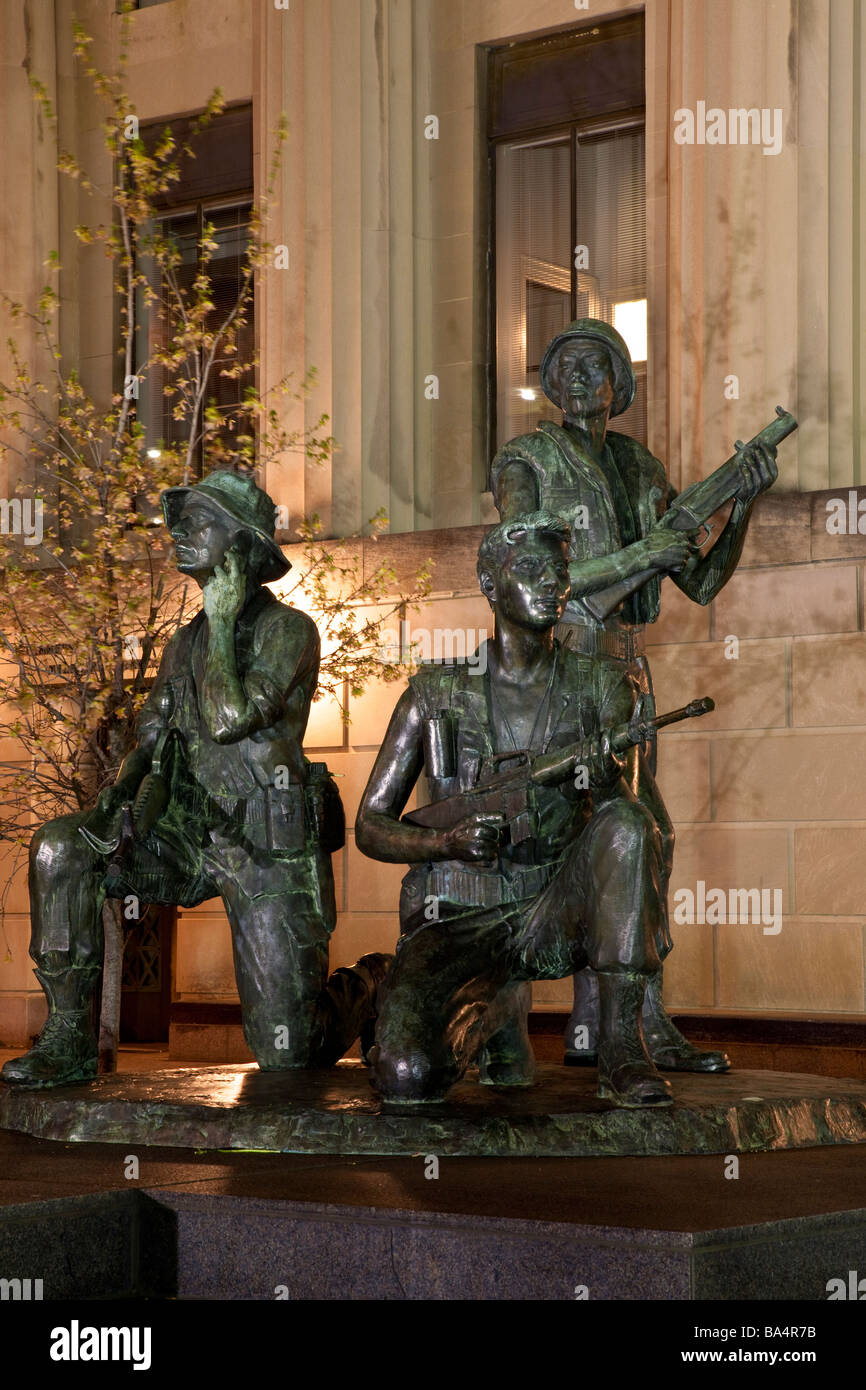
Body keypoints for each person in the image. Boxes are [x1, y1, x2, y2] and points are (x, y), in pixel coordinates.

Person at [2, 469, 388, 1089]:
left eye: (199, 522)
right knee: (61, 847)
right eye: (177, 522)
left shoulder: (287, 631)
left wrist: (226, 622)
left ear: (242, 546)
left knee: (290, 1051)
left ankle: (373, 983)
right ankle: (70, 1038)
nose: (179, 533)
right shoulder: (183, 644)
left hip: (266, 843)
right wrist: (118, 801)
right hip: (186, 833)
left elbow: (230, 717)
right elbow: (150, 741)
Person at [490, 319, 778, 1072]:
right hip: (556, 670)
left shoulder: (638, 466)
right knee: (561, 841)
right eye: (568, 367)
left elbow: (701, 580)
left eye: (598, 366)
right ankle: (519, 1033)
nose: (582, 378)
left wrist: (741, 506)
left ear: (620, 385)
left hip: (624, 673)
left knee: (650, 839)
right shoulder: (525, 459)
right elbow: (524, 564)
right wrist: (637, 553)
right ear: (550, 386)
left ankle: (634, 1022)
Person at [355, 511, 674, 1108]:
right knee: (405, 1077)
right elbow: (370, 825)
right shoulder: (434, 692)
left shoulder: (605, 687)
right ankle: (495, 1008)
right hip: (457, 914)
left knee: (629, 825)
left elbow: (623, 825)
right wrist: (442, 845)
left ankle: (622, 1048)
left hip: (556, 905)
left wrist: (604, 781)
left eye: (559, 571)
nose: (550, 582)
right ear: (488, 583)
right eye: (529, 568)